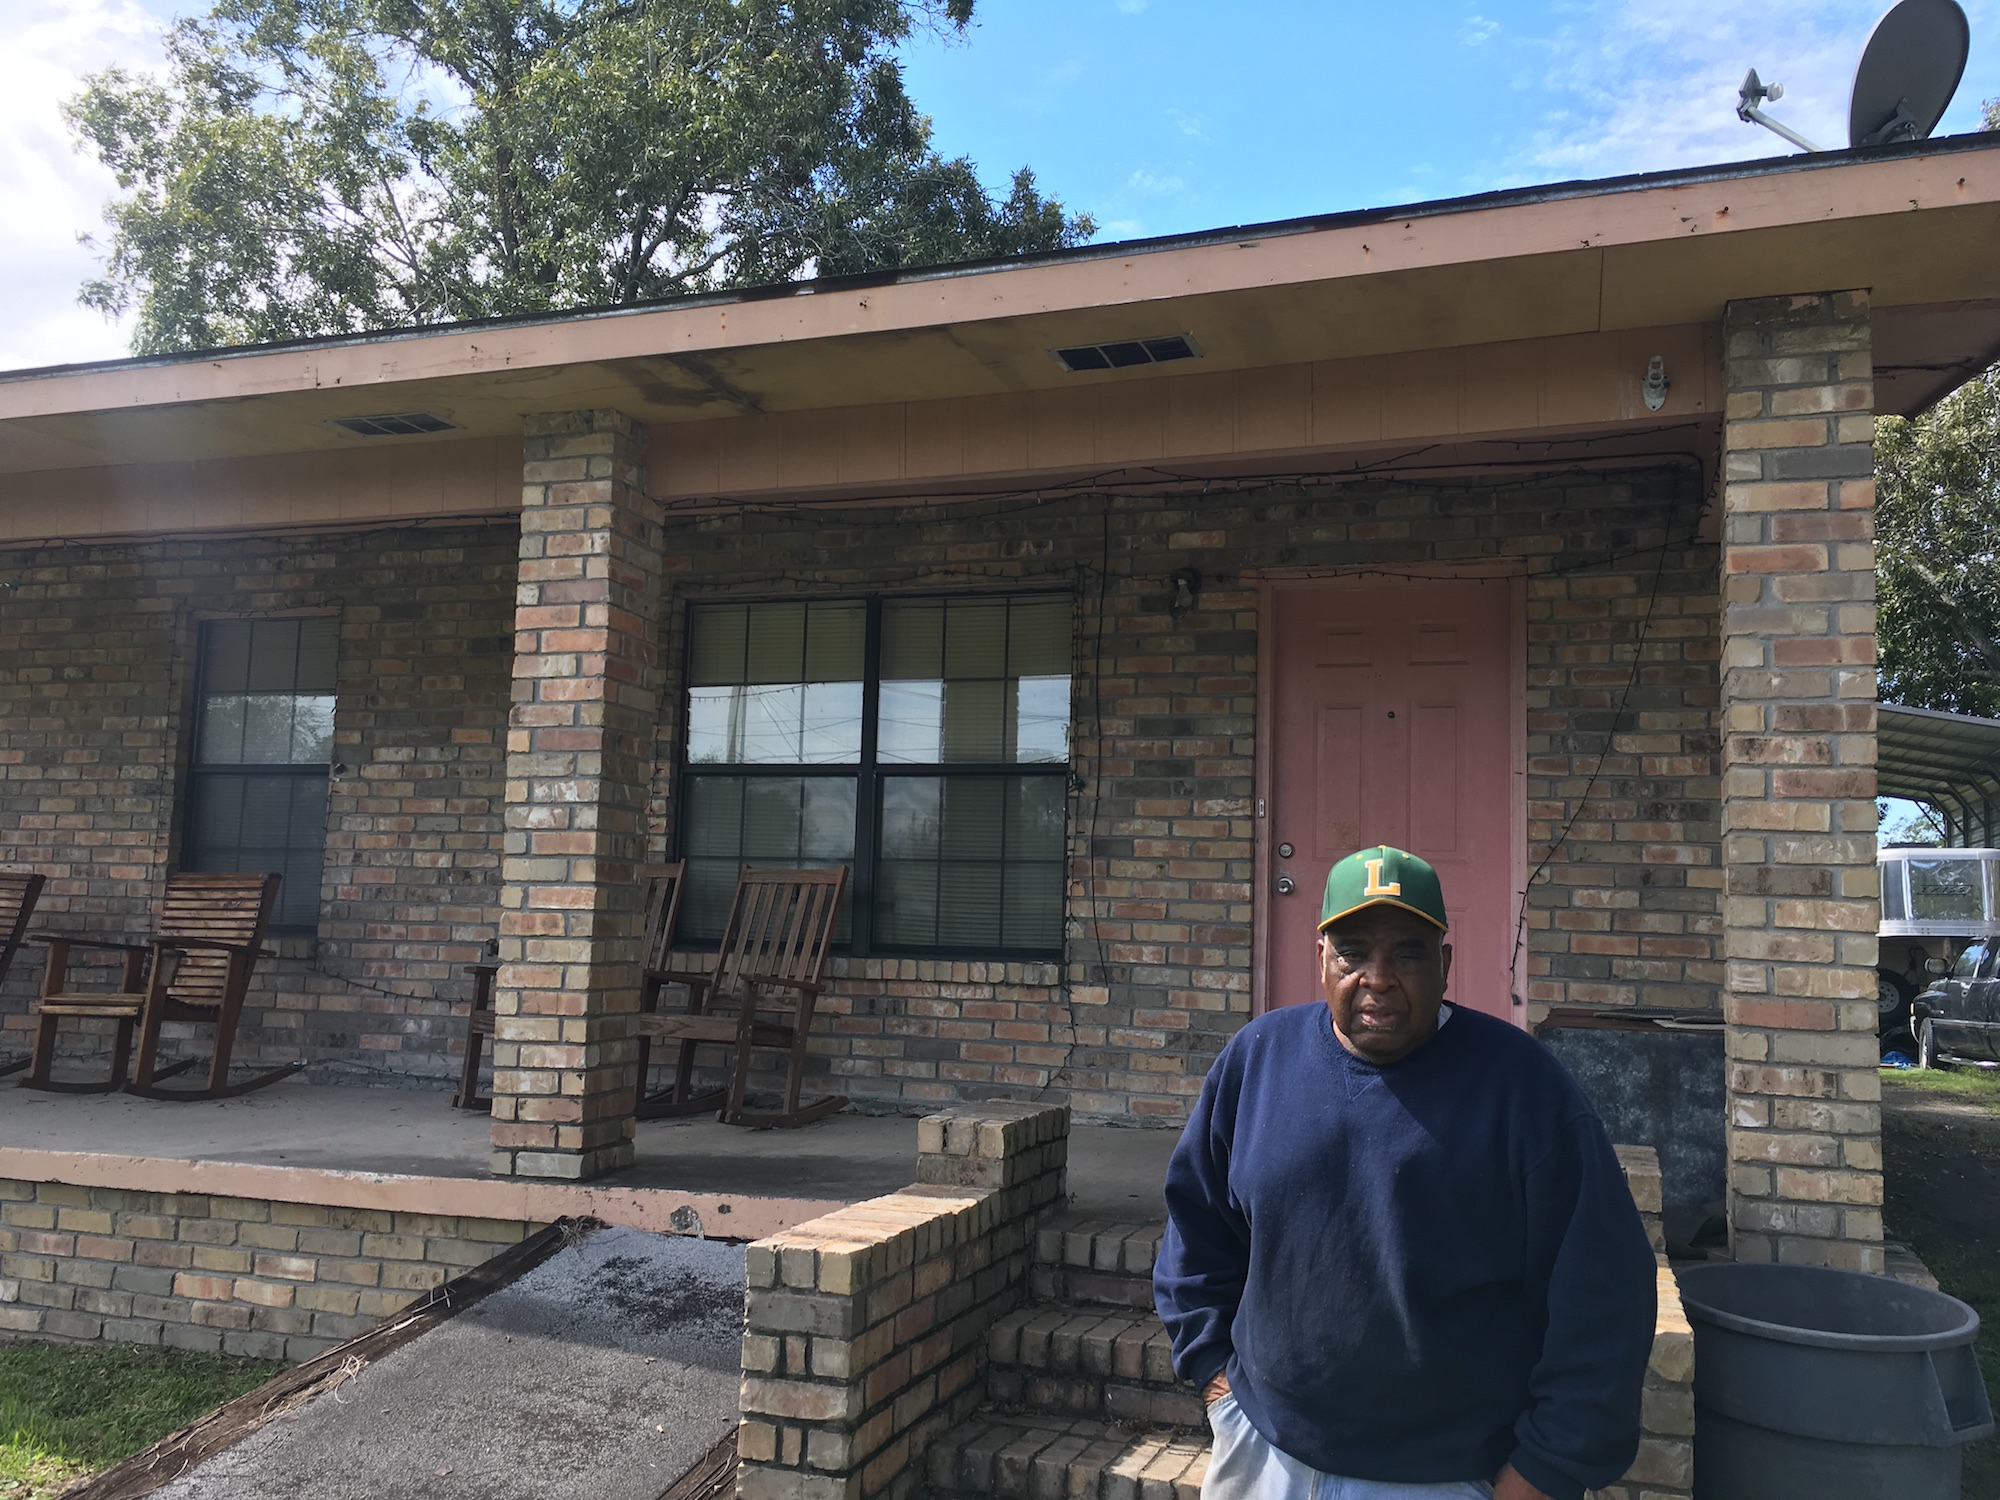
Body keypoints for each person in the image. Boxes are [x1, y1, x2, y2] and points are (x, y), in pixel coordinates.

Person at [1154, 845, 1656, 1500]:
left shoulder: (1523, 1089)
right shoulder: (1258, 1061)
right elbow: (1197, 1226)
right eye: (1353, 951)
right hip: (1263, 1454)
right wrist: (1215, 1379)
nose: (1378, 977)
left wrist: (1545, 1470)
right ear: (1321, 958)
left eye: (1408, 952)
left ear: (1444, 964)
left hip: (1442, 1476)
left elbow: (1605, 1294)